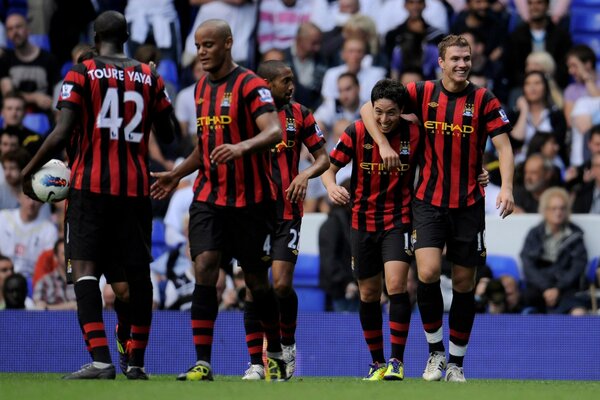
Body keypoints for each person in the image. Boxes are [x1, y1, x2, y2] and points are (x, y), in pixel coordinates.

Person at [21, 10, 176, 380]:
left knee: (86, 274)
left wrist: (29, 172)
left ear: (95, 37)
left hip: (90, 189)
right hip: (136, 191)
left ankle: (102, 361)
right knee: (138, 280)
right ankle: (136, 363)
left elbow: (60, 134)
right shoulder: (150, 76)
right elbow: (168, 136)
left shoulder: (81, 73)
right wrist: (156, 86)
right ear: (127, 35)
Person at [360, 35, 514, 382]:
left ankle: (457, 363)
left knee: (464, 282)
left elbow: (503, 146)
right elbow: (369, 108)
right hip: (428, 200)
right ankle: (435, 352)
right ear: (440, 62)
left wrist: (506, 186)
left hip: (469, 204)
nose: (462, 64)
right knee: (427, 273)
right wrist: (383, 143)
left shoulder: (484, 99)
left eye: (467, 58)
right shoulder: (420, 92)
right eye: (455, 59)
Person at [150, 19, 286, 382]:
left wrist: (241, 147)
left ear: (228, 43)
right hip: (209, 196)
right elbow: (204, 146)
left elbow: (274, 131)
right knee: (205, 266)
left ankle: (275, 350)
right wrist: (177, 174)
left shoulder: (251, 85)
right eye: (197, 46)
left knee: (256, 282)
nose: (202, 52)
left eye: (208, 45)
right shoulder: (197, 90)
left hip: (252, 201)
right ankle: (203, 362)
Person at [322, 79, 421, 381]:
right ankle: (377, 362)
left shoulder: (415, 133)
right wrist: (330, 187)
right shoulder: (356, 131)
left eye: (391, 113)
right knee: (368, 294)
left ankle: (397, 361)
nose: (384, 119)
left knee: (397, 286)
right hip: (362, 221)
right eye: (379, 112)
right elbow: (329, 166)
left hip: (398, 218)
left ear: (401, 111)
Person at [241, 60, 329, 380]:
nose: (291, 86)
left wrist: (305, 174)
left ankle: (287, 345)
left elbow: (323, 158)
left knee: (280, 284)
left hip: (288, 211)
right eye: (285, 81)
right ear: (265, 83)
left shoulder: (301, 114)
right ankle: (255, 362)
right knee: (253, 287)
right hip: (252, 211)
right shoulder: (246, 113)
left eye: (292, 80)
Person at [520, 187, 588, 315]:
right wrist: (546, 288)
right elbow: (528, 264)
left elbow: (578, 266)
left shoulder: (576, 235)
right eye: (554, 208)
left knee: (579, 312)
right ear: (545, 210)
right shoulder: (534, 234)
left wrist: (558, 288)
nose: (558, 212)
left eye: (562, 208)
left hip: (566, 289)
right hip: (538, 289)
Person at [33, 239, 77, 311]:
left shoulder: (80, 280)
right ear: (55, 257)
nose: (68, 257)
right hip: (50, 321)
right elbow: (39, 307)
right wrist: (72, 306)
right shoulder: (44, 282)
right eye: (64, 254)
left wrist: (49, 307)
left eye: (70, 254)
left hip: (75, 321)